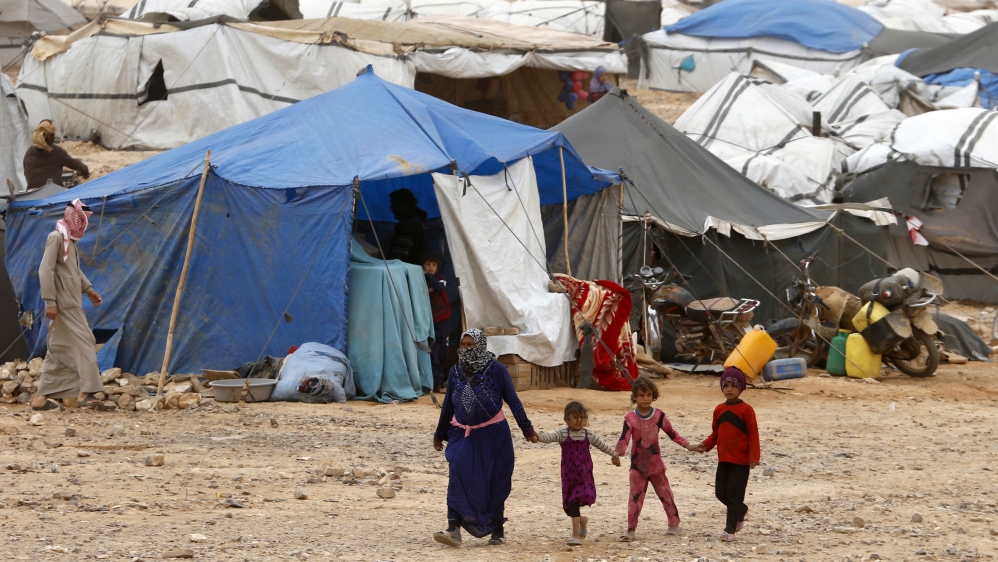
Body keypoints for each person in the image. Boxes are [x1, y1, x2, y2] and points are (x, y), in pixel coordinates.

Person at [432, 329, 537, 547]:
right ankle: (453, 528)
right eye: (464, 345)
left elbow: (513, 401)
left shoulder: (496, 370)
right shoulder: (455, 372)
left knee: (493, 481)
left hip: (493, 435)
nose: (467, 349)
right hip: (462, 434)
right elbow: (449, 406)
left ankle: (496, 529)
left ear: (481, 345)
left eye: (472, 345)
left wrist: (527, 429)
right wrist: (440, 433)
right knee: (458, 473)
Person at [29, 199, 103, 411]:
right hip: (62, 305)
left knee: (58, 350)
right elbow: (46, 270)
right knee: (86, 341)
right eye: (81, 218)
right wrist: (50, 301)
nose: (84, 223)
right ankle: (85, 392)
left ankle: (40, 400)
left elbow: (73, 271)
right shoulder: (56, 237)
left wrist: (89, 290)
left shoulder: (69, 241)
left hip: (72, 302)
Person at [615, 376, 694, 542]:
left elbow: (672, 434)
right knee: (635, 499)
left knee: (666, 494)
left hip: (656, 465)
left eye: (649, 395)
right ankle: (631, 530)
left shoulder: (659, 416)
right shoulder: (630, 418)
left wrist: (688, 445)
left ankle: (674, 524)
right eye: (642, 395)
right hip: (637, 467)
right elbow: (624, 438)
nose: (645, 398)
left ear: (653, 396)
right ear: (635, 397)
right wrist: (617, 454)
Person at [690, 367, 760, 542]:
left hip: (741, 461)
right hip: (724, 460)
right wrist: (705, 445)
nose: (729, 389)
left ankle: (730, 530)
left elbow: (753, 435)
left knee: (734, 495)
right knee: (721, 493)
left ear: (741, 388)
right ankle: (741, 509)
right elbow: (716, 434)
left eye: (733, 386)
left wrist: (753, 457)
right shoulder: (719, 409)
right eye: (726, 385)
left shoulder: (747, 410)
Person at [536, 400, 621, 546]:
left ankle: (575, 535)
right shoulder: (563, 434)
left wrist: (614, 455)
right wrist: (535, 436)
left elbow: (602, 445)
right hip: (568, 477)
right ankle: (582, 520)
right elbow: (547, 438)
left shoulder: (588, 435)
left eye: (582, 417)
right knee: (568, 508)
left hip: (584, 475)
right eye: (575, 417)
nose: (579, 420)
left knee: (574, 503)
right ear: (566, 420)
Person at [22, 120, 90, 190]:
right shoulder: (57, 152)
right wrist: (85, 170)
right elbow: (75, 164)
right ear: (52, 136)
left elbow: (26, 171)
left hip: (32, 194)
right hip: (54, 196)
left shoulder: (29, 152)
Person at [423, 254, 451, 392]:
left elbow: (439, 287)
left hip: (443, 321)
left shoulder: (441, 278)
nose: (431, 267)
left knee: (443, 352)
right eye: (428, 264)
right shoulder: (419, 280)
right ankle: (435, 382)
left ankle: (441, 380)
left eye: (434, 265)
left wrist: (428, 277)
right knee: (433, 352)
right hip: (430, 322)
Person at [386, 188, 429, 265]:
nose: (391, 208)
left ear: (404, 205)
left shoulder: (409, 226)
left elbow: (398, 256)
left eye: (394, 204)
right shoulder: (417, 221)